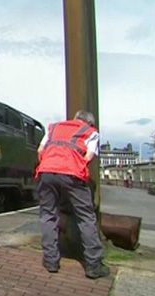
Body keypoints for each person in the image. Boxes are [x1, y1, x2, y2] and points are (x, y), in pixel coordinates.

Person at [34, 110, 110, 279]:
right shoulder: (91, 132)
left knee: (48, 215)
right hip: (72, 173)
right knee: (86, 217)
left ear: (75, 119)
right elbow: (88, 157)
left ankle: (51, 261)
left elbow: (40, 151)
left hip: (46, 171)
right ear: (89, 123)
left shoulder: (54, 127)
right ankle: (93, 265)